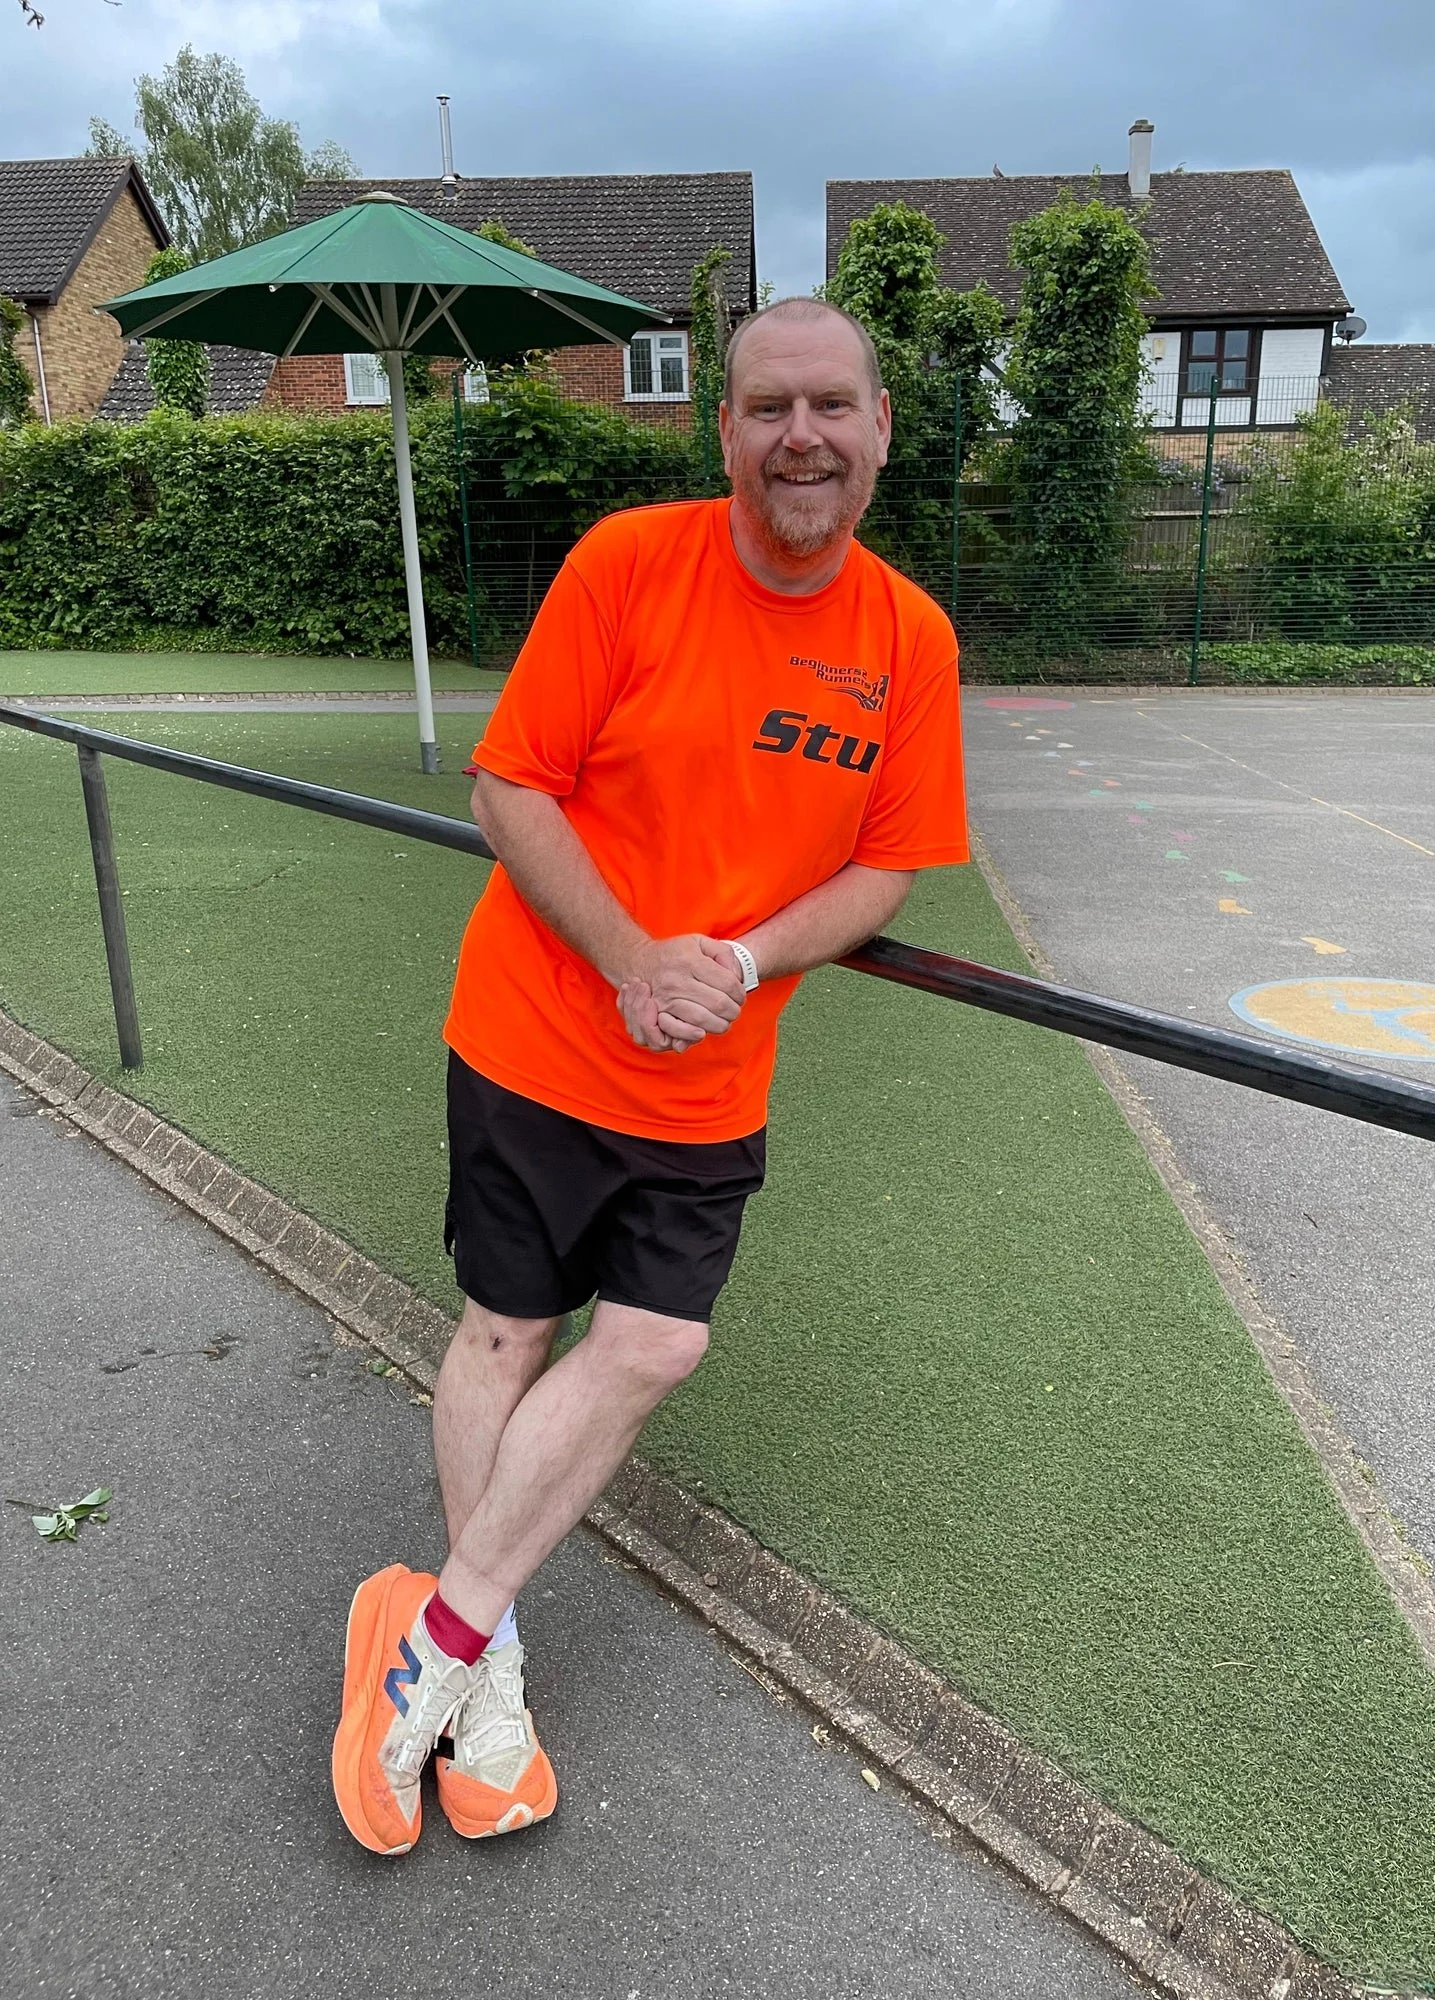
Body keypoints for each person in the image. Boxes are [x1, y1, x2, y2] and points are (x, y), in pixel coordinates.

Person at [331, 296, 970, 1855]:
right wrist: (633, 955)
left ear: (882, 426)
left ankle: (436, 1635)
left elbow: (889, 870)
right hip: (536, 1040)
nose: (799, 437)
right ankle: (488, 1689)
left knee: (658, 1345)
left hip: (707, 1080)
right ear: (725, 428)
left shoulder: (911, 641)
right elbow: (510, 783)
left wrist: (734, 964)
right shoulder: (630, 563)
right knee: (505, 1331)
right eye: (767, 408)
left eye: (831, 406)